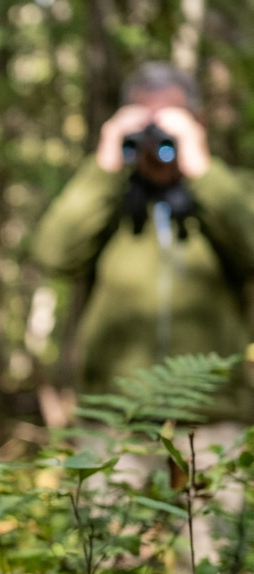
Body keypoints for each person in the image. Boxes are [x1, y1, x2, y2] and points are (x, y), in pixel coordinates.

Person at [34, 62, 254, 415]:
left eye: (170, 122)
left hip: (213, 414)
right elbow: (53, 255)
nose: (155, 140)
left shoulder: (231, 191)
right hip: (113, 418)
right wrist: (106, 162)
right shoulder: (107, 200)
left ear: (198, 123)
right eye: (144, 123)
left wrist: (201, 168)